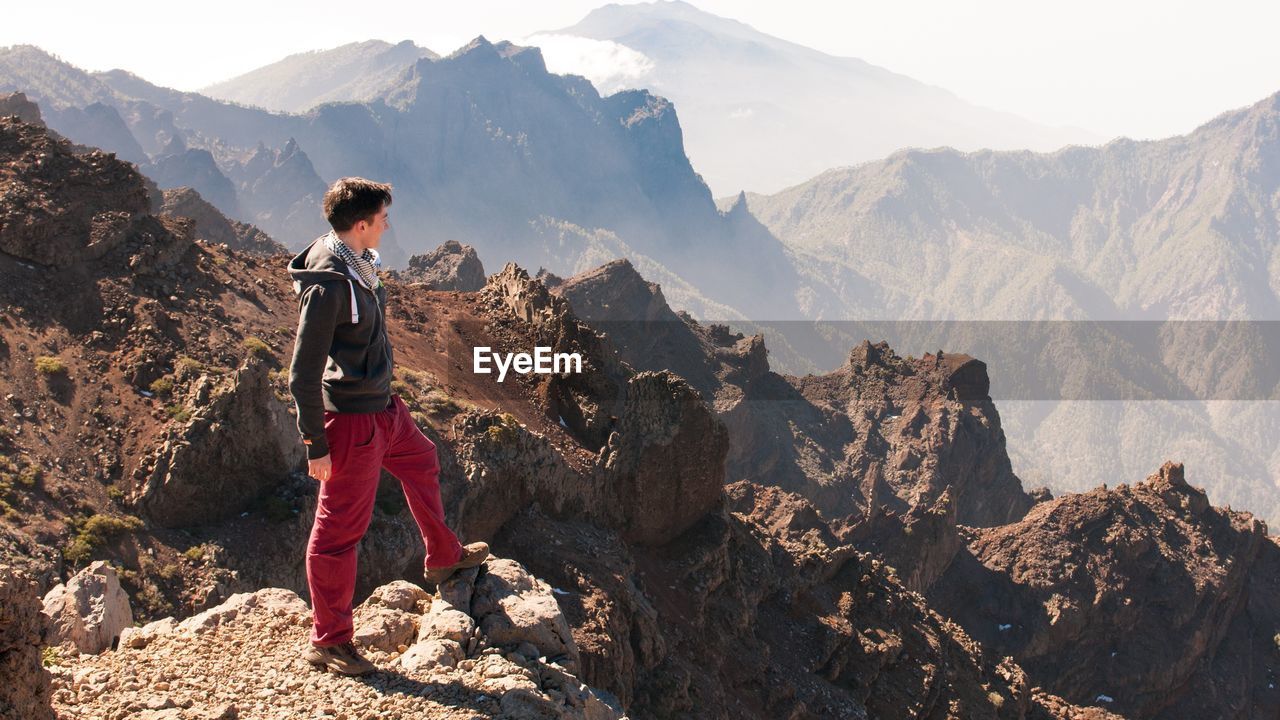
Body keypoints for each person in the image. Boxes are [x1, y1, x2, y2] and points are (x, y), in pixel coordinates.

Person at [287, 177, 489, 676]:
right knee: (338, 533)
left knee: (424, 460)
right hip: (351, 423)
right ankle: (330, 641)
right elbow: (302, 372)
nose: (388, 224)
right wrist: (316, 443)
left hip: (384, 410)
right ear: (361, 225)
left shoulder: (357, 264)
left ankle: (444, 557)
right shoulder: (330, 286)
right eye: (382, 218)